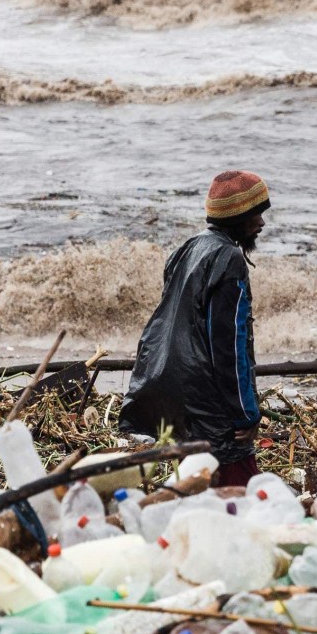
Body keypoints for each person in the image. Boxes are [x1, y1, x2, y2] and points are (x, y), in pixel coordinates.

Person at [120, 171, 269, 486]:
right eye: (256, 213)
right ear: (238, 216)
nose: (262, 222)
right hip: (207, 398)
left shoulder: (189, 247)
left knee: (195, 480)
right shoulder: (229, 259)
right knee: (238, 489)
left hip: (172, 387)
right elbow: (229, 346)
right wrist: (246, 413)